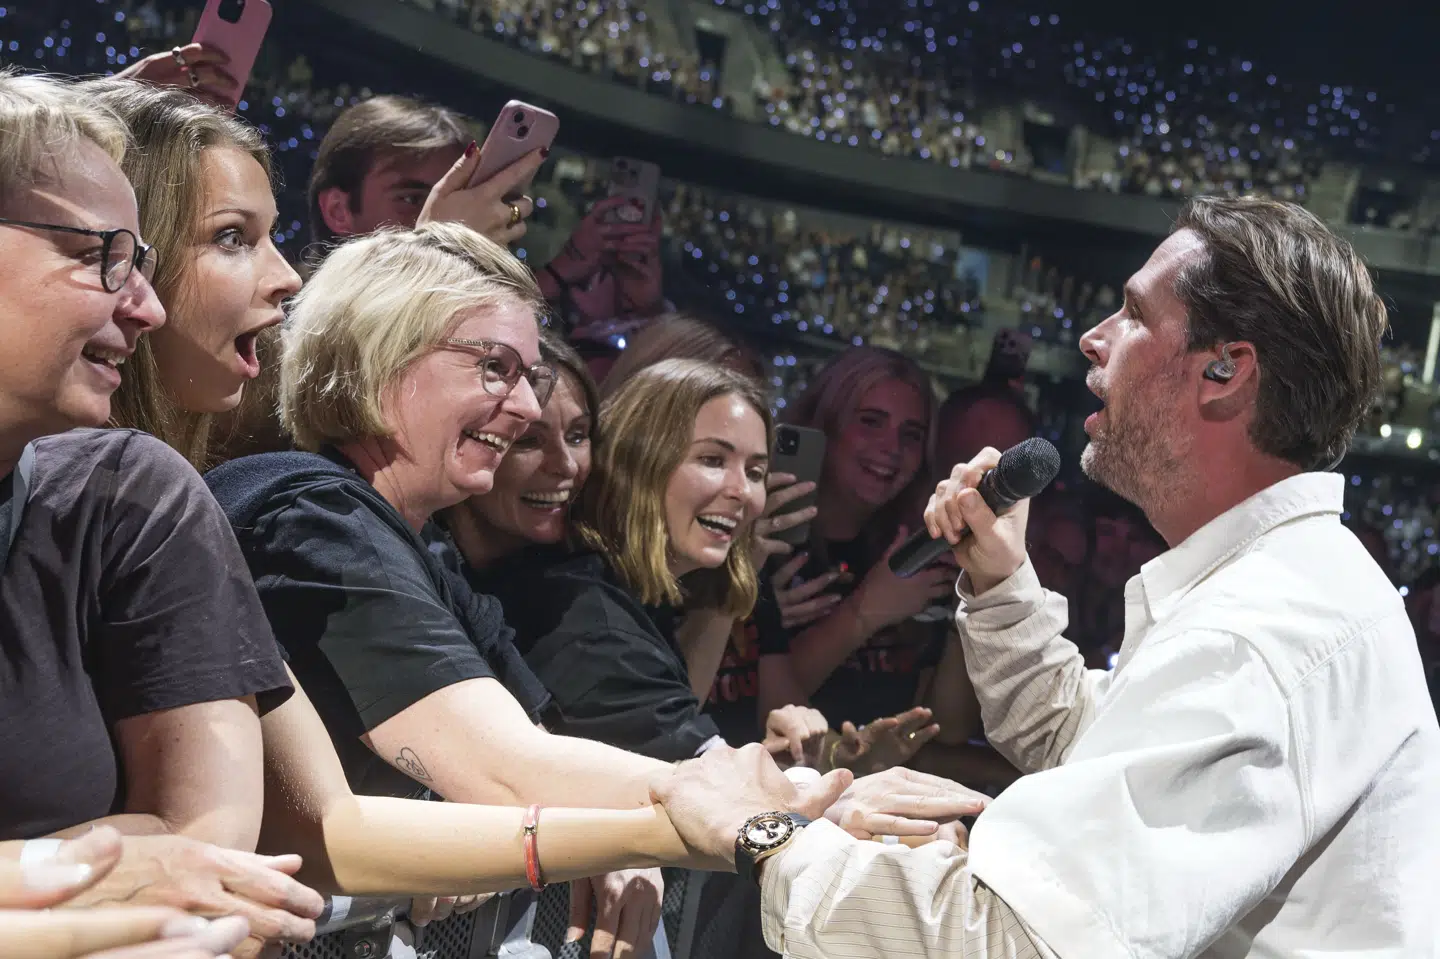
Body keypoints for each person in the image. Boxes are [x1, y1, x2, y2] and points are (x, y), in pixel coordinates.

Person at [651, 195, 1440, 957]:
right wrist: (1000, 584)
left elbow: (1014, 940)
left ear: (1225, 370)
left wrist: (764, 830)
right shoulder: (1282, 587)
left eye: (1133, 314)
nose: (1095, 339)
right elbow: (1095, 751)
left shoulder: (1258, 632)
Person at [0, 68, 325, 955]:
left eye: (139, 263)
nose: (145, 306)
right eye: (100, 256)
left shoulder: (127, 488)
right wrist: (57, 870)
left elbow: (204, 856)